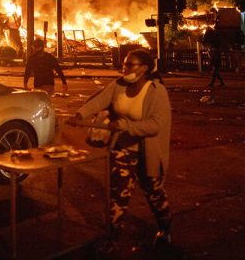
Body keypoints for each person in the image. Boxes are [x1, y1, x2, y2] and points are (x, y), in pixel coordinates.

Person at [71, 49, 172, 251]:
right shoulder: (119, 85)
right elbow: (100, 100)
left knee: (154, 194)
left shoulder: (156, 91)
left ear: (144, 68)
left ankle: (164, 230)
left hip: (147, 152)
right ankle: (113, 239)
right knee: (118, 196)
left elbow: (156, 125)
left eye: (129, 65)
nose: (124, 68)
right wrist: (80, 115)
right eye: (124, 64)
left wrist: (126, 126)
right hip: (122, 149)